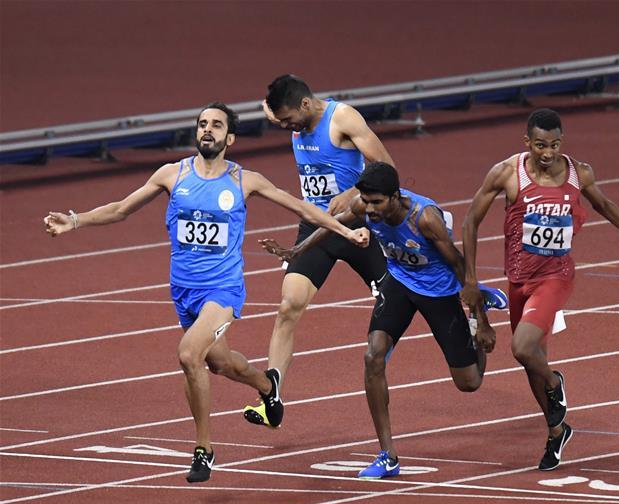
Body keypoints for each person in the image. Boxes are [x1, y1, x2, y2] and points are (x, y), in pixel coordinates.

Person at [43, 103, 369, 483]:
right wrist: (76, 220)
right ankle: (269, 389)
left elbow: (303, 208)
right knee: (221, 363)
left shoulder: (245, 181)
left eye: (216, 125)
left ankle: (204, 449)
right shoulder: (171, 174)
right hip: (183, 291)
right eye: (202, 124)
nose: (207, 130)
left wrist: (347, 232)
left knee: (188, 355)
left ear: (230, 138)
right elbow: (121, 209)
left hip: (223, 290)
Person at [259, 162, 507, 479]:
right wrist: (297, 251)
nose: (371, 209)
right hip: (400, 282)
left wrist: (480, 320)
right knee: (373, 356)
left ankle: (476, 319)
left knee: (469, 383)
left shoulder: (424, 218)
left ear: (395, 197)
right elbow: (333, 224)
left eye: (377, 202)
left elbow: (459, 265)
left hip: (438, 289)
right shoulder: (362, 204)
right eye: (367, 201)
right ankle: (388, 455)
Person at [461, 108, 619, 471]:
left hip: (555, 277)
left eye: (555, 145)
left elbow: (604, 205)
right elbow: (470, 221)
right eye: (540, 145)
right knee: (531, 365)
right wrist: (470, 279)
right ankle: (556, 430)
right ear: (527, 142)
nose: (548, 153)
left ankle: (556, 382)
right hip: (519, 280)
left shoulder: (579, 173)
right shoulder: (506, 173)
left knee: (523, 349)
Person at [243, 75, 394, 428]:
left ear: (306, 105)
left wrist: (356, 191)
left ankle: (465, 315)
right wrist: (272, 109)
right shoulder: (289, 110)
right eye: (280, 121)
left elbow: (386, 167)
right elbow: (272, 108)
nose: (285, 127)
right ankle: (272, 398)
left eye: (288, 120)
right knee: (288, 307)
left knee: (403, 298)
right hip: (317, 228)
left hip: (359, 226)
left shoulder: (343, 119)